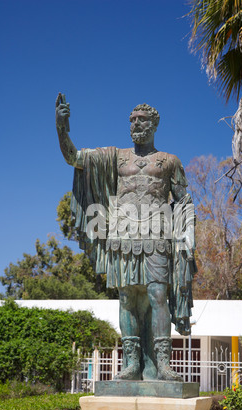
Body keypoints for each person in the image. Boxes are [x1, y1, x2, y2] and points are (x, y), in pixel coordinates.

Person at [56, 96, 197, 382]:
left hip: (158, 235)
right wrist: (62, 127)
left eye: (141, 120)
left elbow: (184, 200)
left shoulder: (169, 161)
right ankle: (132, 363)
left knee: (159, 295)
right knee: (127, 298)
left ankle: (162, 364)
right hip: (123, 235)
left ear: (154, 124)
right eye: (132, 120)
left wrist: (186, 236)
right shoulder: (116, 157)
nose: (135, 124)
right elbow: (74, 158)